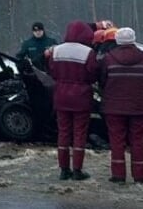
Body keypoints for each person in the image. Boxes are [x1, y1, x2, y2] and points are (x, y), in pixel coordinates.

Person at [99, 27, 143, 184]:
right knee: (138, 142)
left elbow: (102, 81)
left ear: (117, 40)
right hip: (140, 106)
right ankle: (140, 176)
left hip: (114, 107)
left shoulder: (109, 58)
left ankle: (118, 175)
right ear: (134, 39)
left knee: (117, 141)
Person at [46, 21, 98, 181]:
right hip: (81, 97)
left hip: (61, 96)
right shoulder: (88, 52)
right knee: (79, 134)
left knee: (63, 133)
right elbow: (93, 74)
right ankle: (77, 169)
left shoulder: (56, 50)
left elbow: (52, 72)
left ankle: (63, 169)